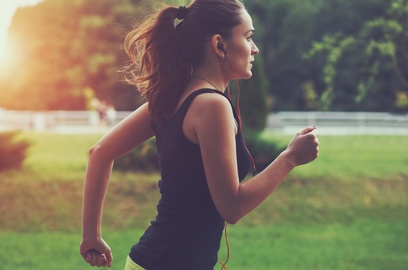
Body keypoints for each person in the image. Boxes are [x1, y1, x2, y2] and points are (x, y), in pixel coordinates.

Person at [80, 0, 319, 269]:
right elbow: (232, 206)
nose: (255, 48)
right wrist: (290, 158)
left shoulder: (171, 97)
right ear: (219, 45)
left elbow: (99, 153)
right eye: (248, 36)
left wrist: (91, 237)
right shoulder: (212, 106)